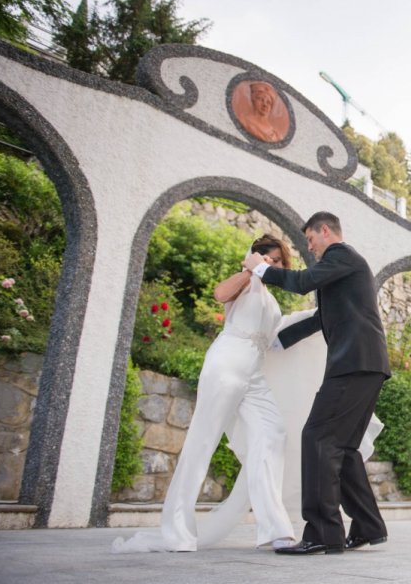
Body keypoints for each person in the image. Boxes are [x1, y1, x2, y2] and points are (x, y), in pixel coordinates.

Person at [113, 234, 302, 553]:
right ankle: (177, 531)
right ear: (258, 256)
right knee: (202, 442)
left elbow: (271, 340)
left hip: (254, 374)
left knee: (274, 433)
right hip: (225, 365)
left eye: (282, 262)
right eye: (276, 260)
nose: (280, 267)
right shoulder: (246, 281)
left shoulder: (270, 298)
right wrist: (251, 269)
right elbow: (219, 294)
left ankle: (275, 528)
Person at [243, 211, 390, 556]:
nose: (309, 247)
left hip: (353, 364)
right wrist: (278, 342)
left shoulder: (342, 256)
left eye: (310, 239)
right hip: (366, 364)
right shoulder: (345, 269)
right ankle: (368, 525)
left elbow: (301, 282)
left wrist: (259, 267)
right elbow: (322, 317)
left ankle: (323, 532)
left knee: (317, 437)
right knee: (344, 449)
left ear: (326, 231)